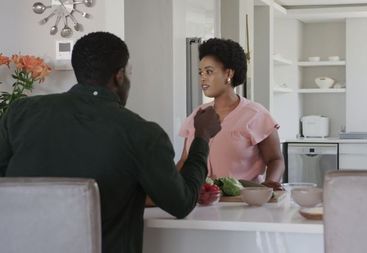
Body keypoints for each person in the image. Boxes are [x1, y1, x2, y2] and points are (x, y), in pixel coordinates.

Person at [0, 32, 221, 253]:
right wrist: (202, 137)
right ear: (119, 76)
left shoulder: (20, 113)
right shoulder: (142, 134)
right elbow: (181, 203)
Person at [177, 38, 285, 190]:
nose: (202, 77)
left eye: (209, 71)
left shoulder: (256, 115)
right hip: (201, 203)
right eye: (200, 72)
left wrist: (270, 184)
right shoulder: (198, 115)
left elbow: (275, 159)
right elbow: (184, 161)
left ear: (228, 73)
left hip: (243, 204)